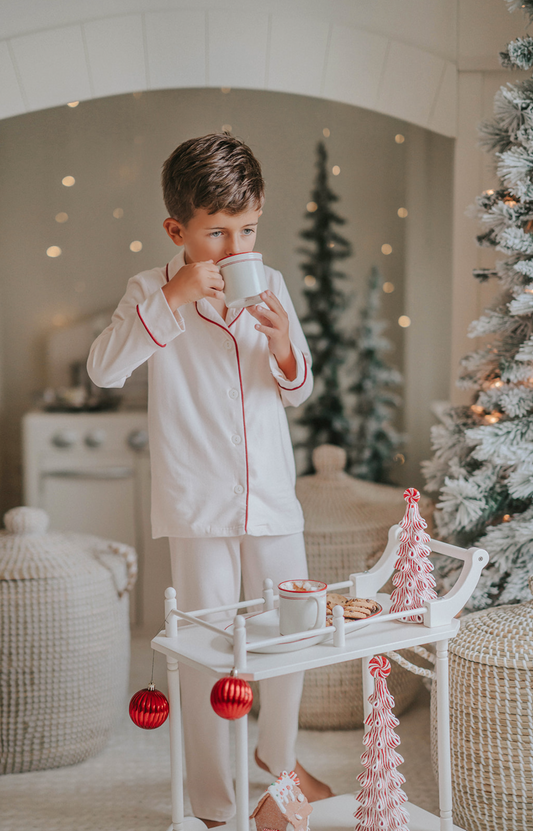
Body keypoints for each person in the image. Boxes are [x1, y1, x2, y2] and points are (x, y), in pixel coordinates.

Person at [87, 132, 333, 826]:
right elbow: (104, 370)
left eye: (247, 229)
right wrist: (171, 297)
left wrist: (283, 340)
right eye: (216, 233)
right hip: (197, 506)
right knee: (204, 652)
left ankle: (276, 764)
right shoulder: (148, 290)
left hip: (272, 499)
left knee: (296, 633)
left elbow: (297, 388)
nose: (235, 248)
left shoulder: (272, 282)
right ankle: (213, 803)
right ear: (178, 230)